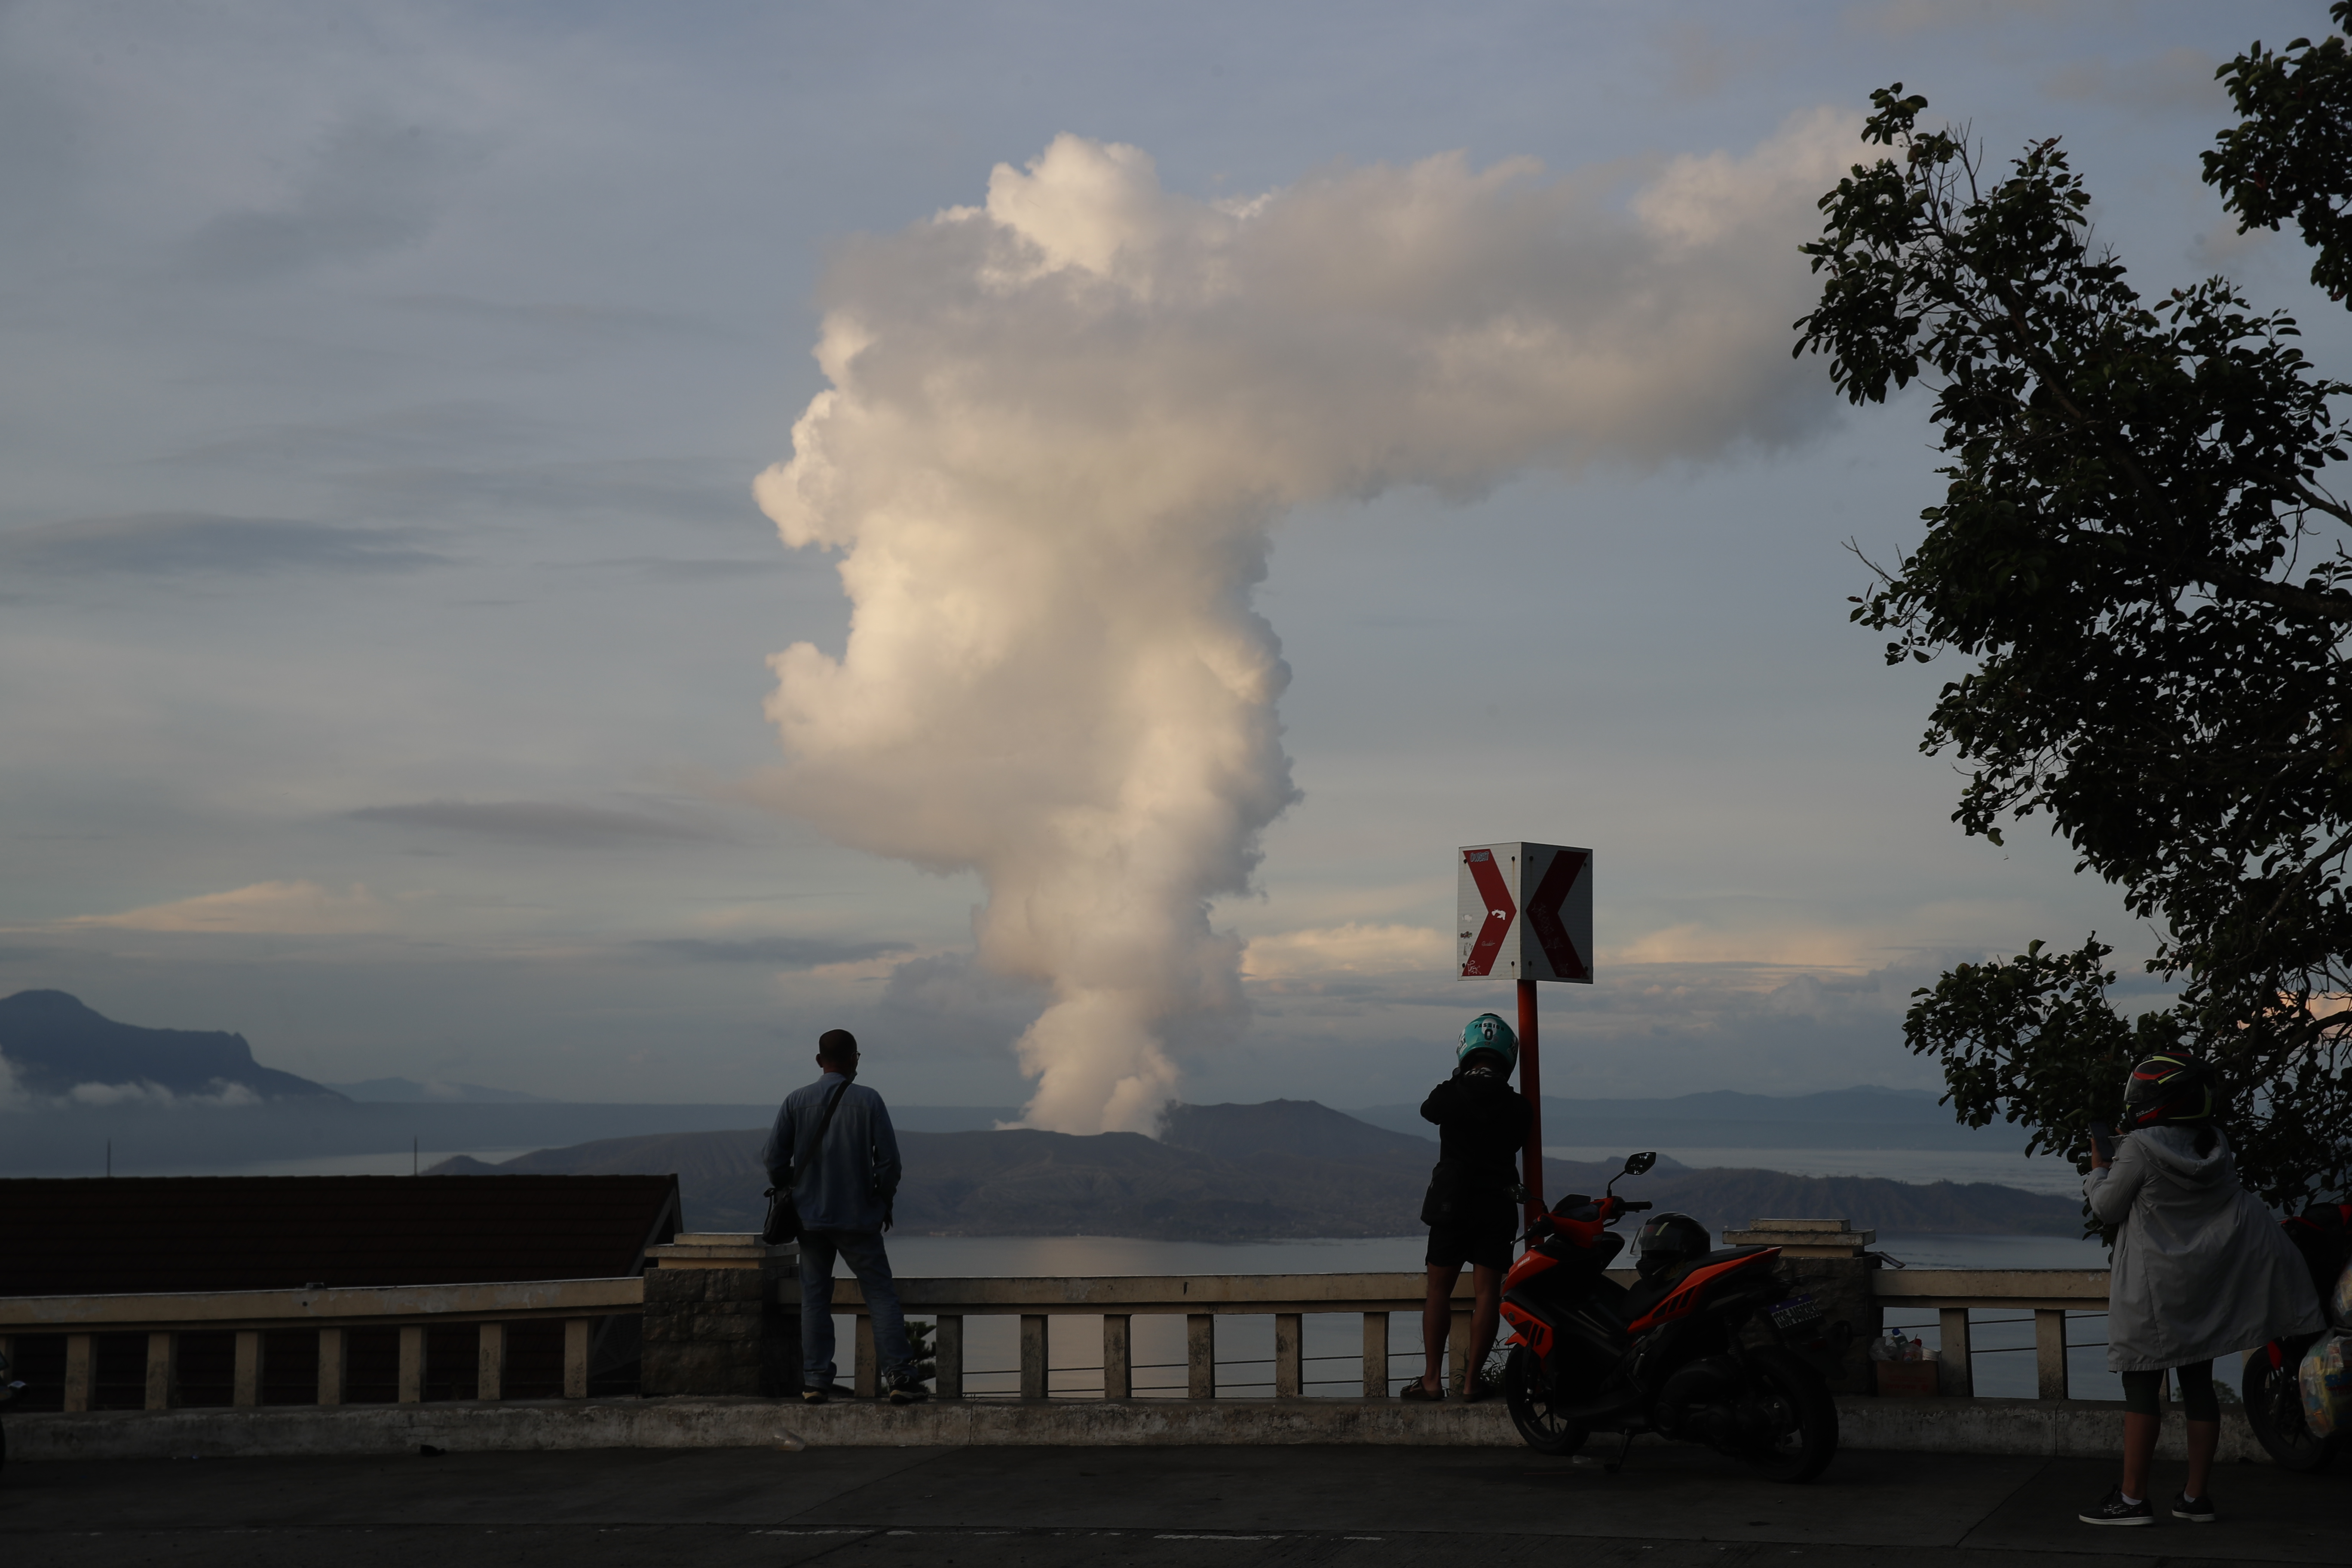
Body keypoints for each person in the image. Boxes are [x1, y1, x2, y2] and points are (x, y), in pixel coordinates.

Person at [2076, 1053, 2324, 1526]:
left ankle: (2131, 1500)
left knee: (2141, 1383)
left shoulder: (2139, 1148)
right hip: (2204, 1284)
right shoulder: (2215, 1143)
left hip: (2152, 1288)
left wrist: (2098, 1169)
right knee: (2198, 1384)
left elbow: (2108, 1208)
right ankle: (2195, 1497)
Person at [762, 1027, 929, 1405]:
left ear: (820, 1061)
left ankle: (816, 1382)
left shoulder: (795, 1101)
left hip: (810, 1219)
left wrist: (793, 1186)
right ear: (854, 1058)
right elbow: (889, 1163)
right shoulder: (869, 1101)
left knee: (815, 1298)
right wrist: (881, 1201)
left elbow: (773, 1160)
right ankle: (900, 1378)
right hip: (858, 1219)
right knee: (881, 1295)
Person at [1404, 1012, 1532, 1402]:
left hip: (1451, 1205)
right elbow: (1520, 1135)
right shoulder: (1518, 1106)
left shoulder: (1452, 1093)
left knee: (1438, 1291)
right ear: (1507, 1058)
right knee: (1487, 1295)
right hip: (1497, 1206)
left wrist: (1460, 1082)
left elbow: (1429, 1110)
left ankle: (1431, 1381)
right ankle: (1473, 1382)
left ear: (1466, 1051)